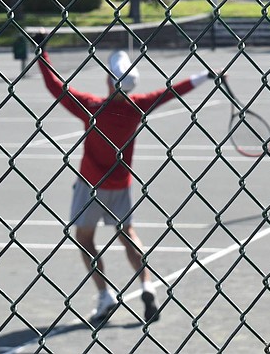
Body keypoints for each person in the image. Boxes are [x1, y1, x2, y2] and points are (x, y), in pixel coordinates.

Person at [34, 32, 216, 325]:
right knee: (127, 235)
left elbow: (54, 86)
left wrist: (42, 52)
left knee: (85, 240)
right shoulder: (138, 106)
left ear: (109, 81)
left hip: (90, 186)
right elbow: (173, 90)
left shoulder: (92, 107)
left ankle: (105, 294)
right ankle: (147, 285)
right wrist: (205, 75)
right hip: (121, 186)